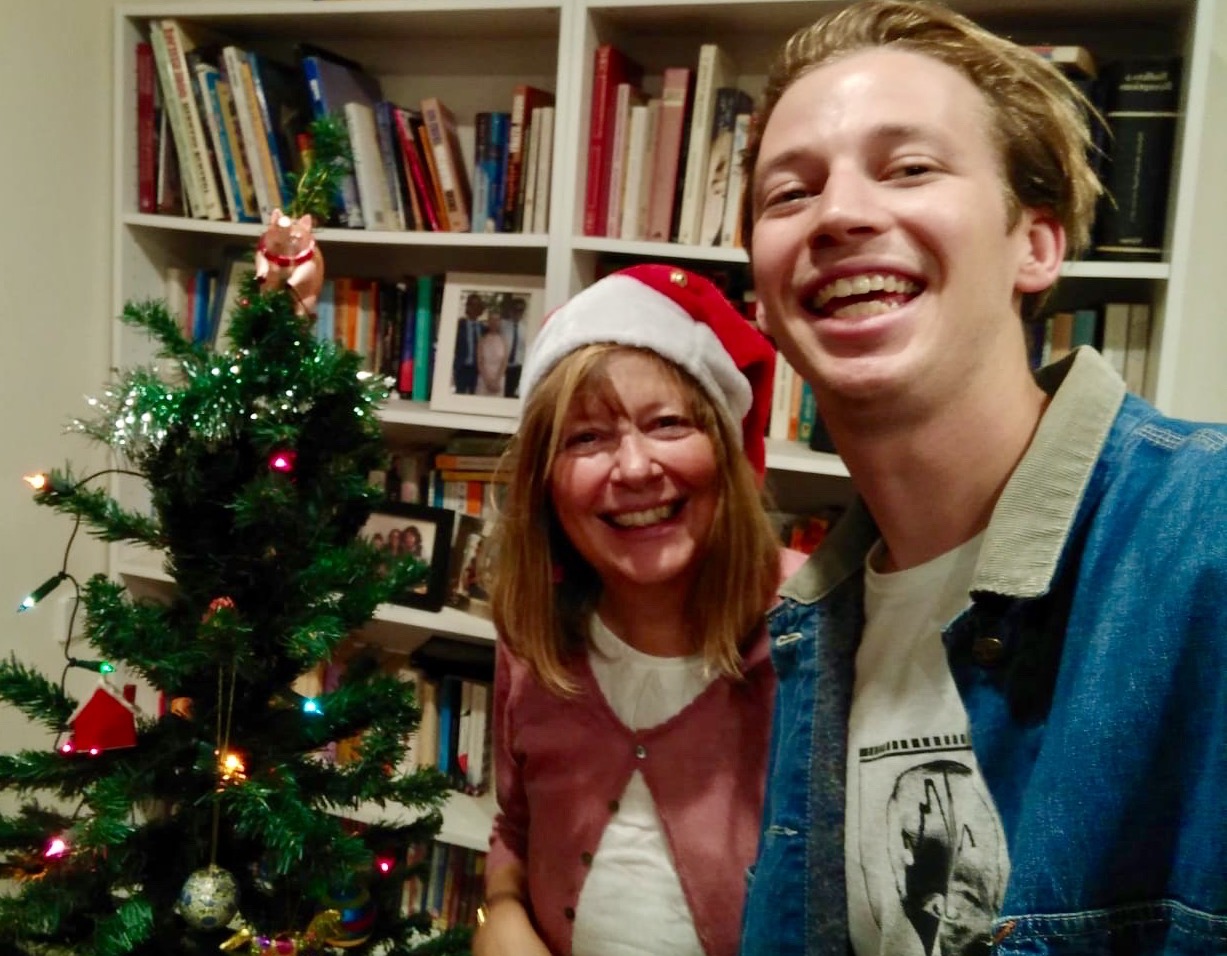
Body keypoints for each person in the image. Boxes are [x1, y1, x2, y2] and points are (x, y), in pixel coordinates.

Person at [736, 3, 1227, 955]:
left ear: (1035, 245)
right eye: (787, 194)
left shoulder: (1207, 537)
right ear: (765, 292)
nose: (837, 213)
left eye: (909, 167)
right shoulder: (806, 632)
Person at [475, 264, 796, 956]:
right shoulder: (530, 634)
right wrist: (500, 911)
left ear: (728, 451)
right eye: (586, 438)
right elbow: (516, 823)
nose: (634, 468)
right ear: (546, 483)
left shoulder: (814, 629)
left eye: (668, 423)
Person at [453, 291, 485, 395]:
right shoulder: (459, 325)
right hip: (462, 367)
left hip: (477, 370)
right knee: (459, 394)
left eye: (477, 306)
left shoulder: (484, 328)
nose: (474, 309)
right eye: (472, 305)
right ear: (467, 307)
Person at [476, 305, 511, 397]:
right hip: (484, 379)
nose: (494, 322)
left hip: (499, 380)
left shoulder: (504, 340)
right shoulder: (482, 340)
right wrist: (487, 381)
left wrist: (496, 381)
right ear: (488, 321)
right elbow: (480, 362)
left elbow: (504, 362)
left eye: (497, 320)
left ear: (500, 322)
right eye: (492, 319)